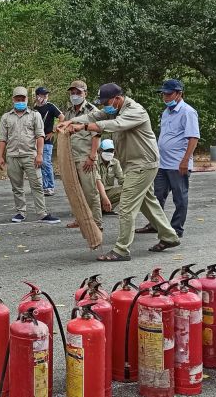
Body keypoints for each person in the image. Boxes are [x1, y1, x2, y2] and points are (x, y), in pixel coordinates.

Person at [58, 83, 180, 261]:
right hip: (133, 164)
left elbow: (115, 125)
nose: (104, 106)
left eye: (106, 102)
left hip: (143, 164)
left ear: (117, 98)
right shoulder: (114, 108)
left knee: (126, 207)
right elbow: (94, 115)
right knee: (148, 203)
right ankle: (169, 237)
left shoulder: (135, 111)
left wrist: (84, 128)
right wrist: (73, 121)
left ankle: (121, 250)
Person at [136, 80, 199, 239]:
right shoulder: (166, 112)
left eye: (168, 94)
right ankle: (155, 224)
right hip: (162, 163)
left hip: (178, 164)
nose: (165, 97)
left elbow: (193, 138)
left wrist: (185, 161)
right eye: (163, 94)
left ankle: (176, 229)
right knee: (156, 196)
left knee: (180, 198)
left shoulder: (187, 112)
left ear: (179, 94)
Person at [0, 86, 60, 224]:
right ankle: (20, 212)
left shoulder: (34, 115)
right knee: (17, 186)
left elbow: (40, 136)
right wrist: (0, 156)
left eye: (22, 98)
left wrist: (39, 155)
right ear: (13, 99)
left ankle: (42, 213)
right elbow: (2, 138)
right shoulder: (6, 117)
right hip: (13, 156)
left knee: (37, 184)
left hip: (30, 156)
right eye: (17, 98)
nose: (20, 101)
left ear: (27, 99)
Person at [62, 80, 102, 230]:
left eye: (78, 92)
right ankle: (80, 219)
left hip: (85, 157)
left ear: (85, 93)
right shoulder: (69, 111)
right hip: (72, 157)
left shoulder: (92, 111)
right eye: (72, 92)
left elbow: (97, 135)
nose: (75, 95)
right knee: (75, 191)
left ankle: (97, 222)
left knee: (90, 191)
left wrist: (92, 156)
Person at [33, 86, 64, 196]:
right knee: (37, 164)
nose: (45, 97)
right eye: (42, 95)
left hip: (47, 139)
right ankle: (41, 186)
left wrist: (54, 130)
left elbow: (62, 117)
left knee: (46, 162)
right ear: (37, 96)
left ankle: (49, 186)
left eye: (46, 95)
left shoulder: (50, 106)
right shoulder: (33, 109)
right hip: (35, 140)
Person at [96, 139, 124, 214]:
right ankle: (98, 208)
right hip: (96, 193)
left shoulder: (115, 162)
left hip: (108, 192)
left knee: (127, 189)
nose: (109, 153)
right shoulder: (95, 161)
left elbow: (121, 179)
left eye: (111, 151)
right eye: (107, 150)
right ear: (100, 151)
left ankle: (107, 209)